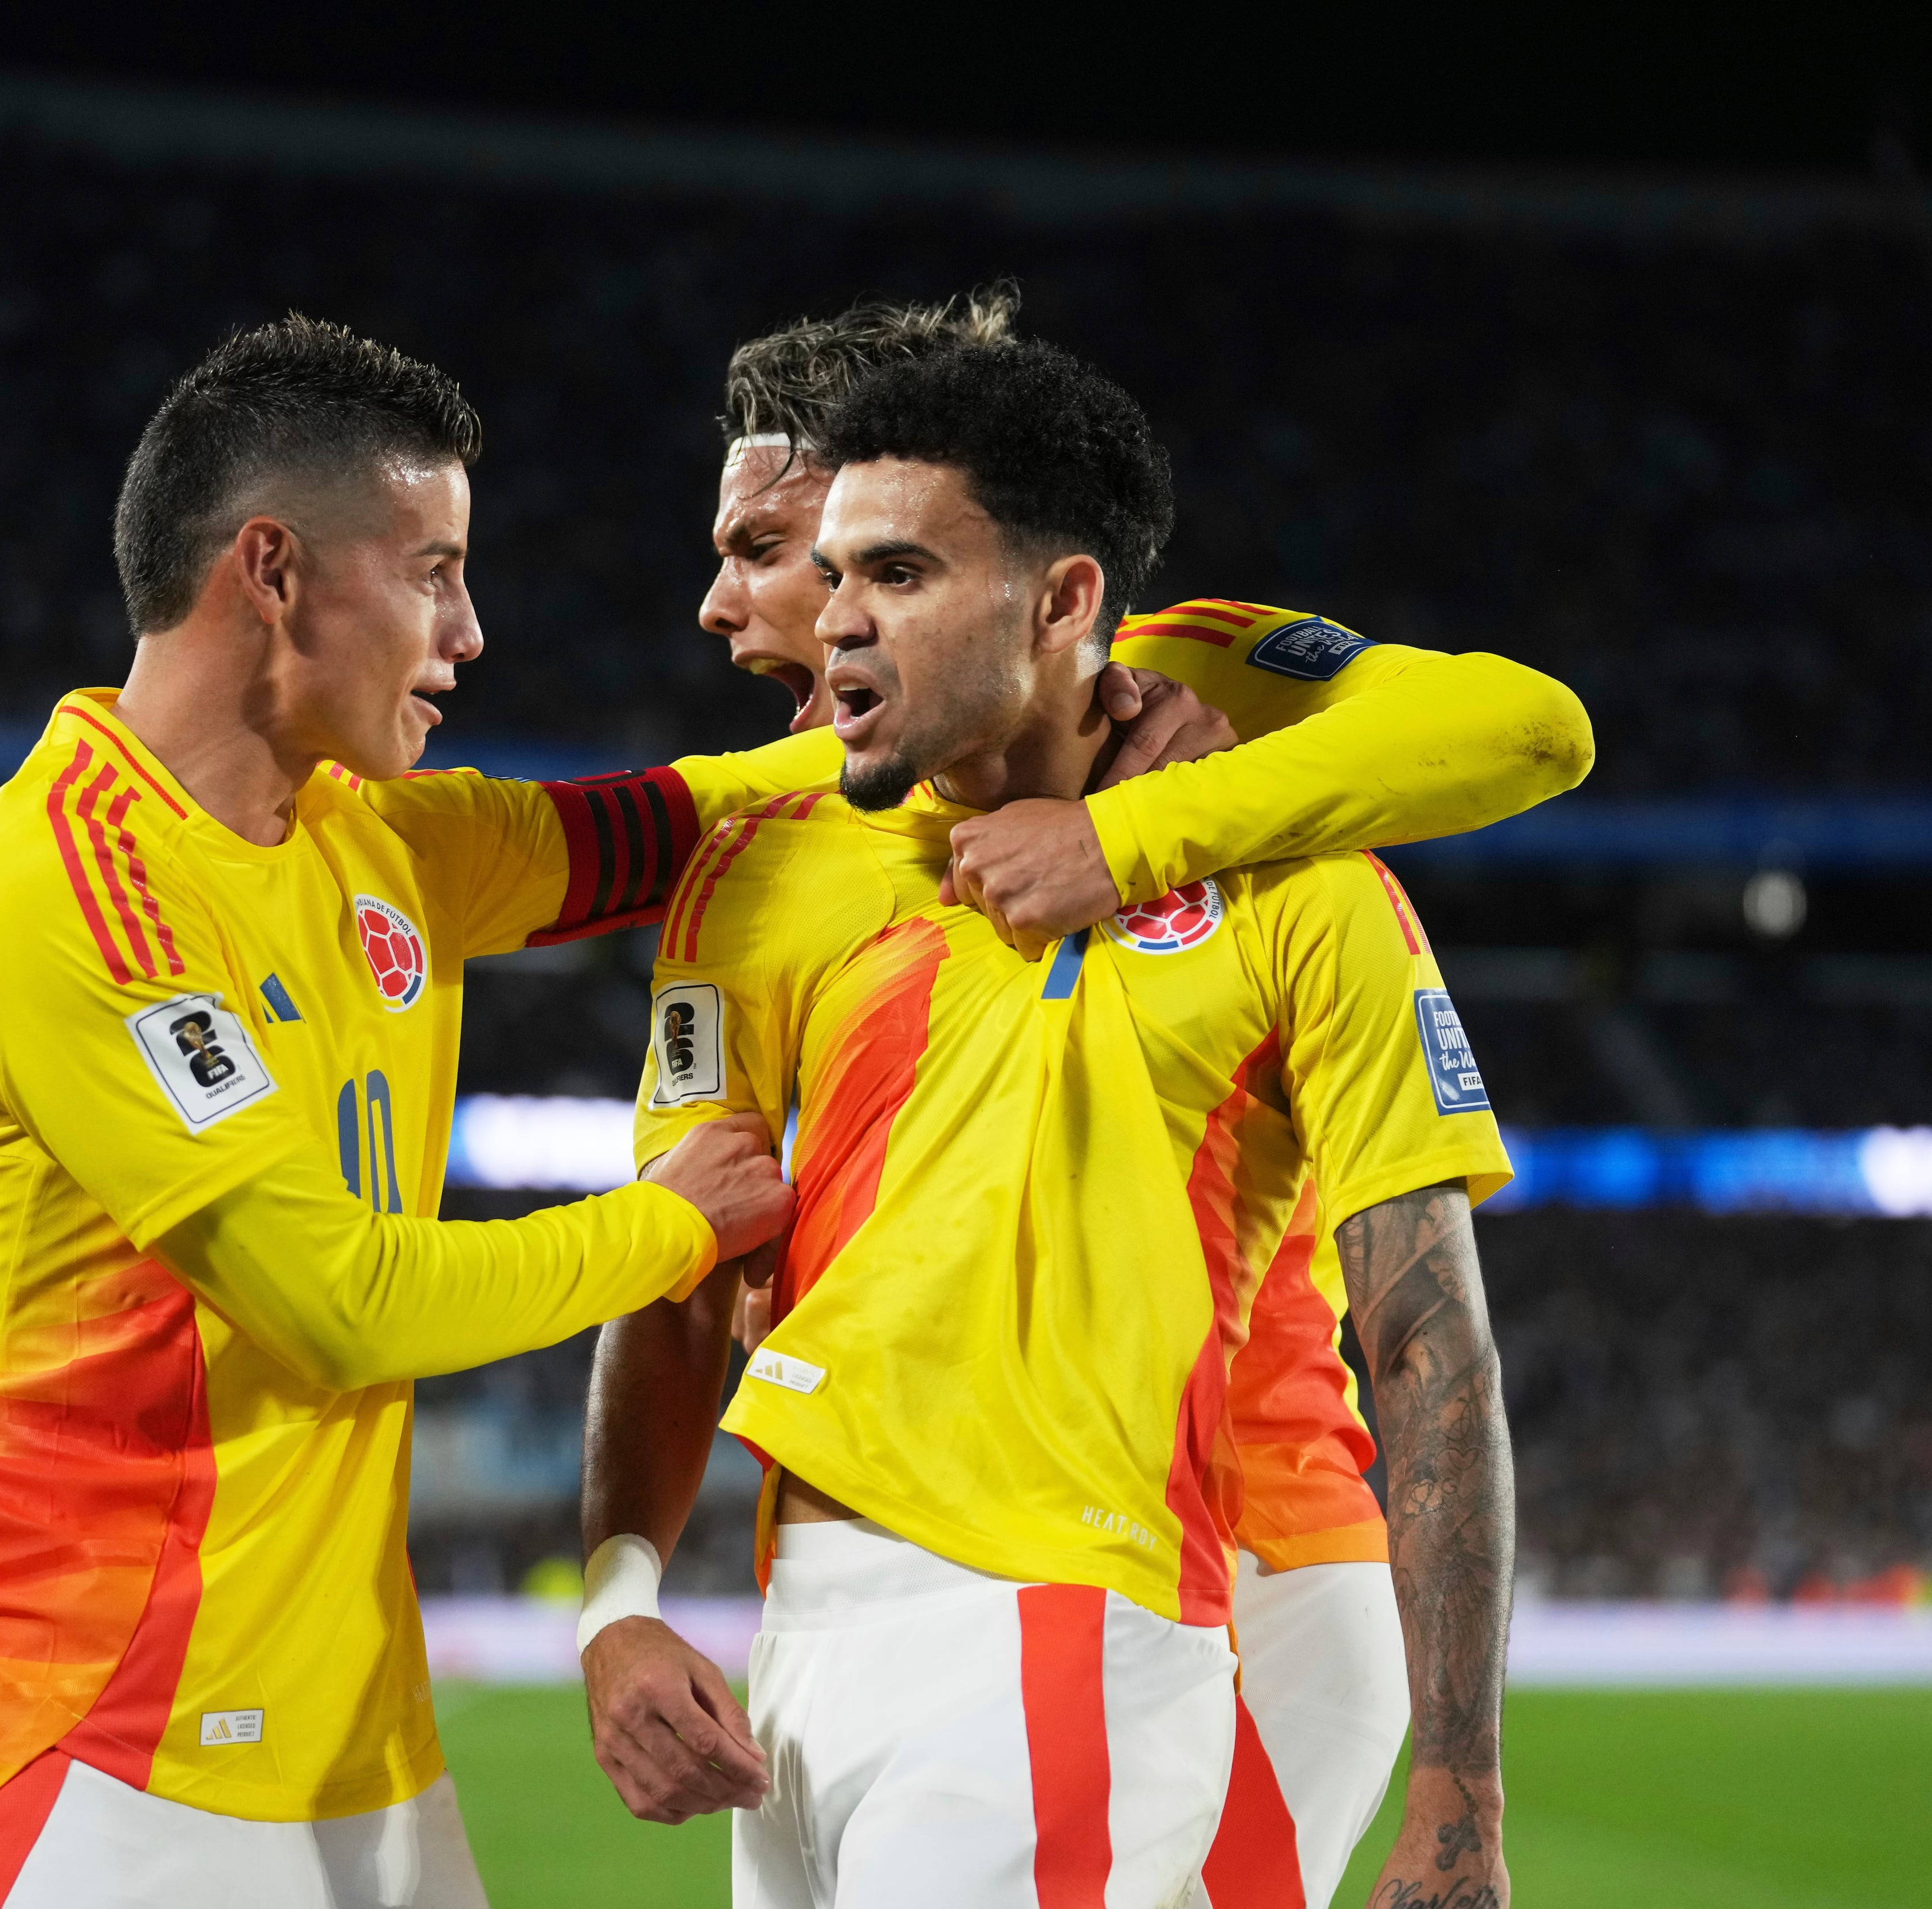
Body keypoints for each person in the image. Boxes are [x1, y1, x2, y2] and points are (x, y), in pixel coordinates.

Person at [594, 287, 1585, 1907]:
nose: (750, 605)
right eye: (814, 563)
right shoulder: (776, 849)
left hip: (1207, 1543)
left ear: (1054, 596)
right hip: (852, 1592)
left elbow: (1532, 725)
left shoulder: (1210, 720)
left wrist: (1148, 836)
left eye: (797, 549)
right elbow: (690, 1251)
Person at [0, 316, 806, 1908]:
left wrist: (1094, 702)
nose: (470, 630)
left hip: (368, 1770)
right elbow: (340, 1303)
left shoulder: (380, 840)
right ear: (274, 570)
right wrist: (673, 1226)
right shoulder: (54, 880)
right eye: (433, 570)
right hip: (99, 1760)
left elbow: (705, 816)